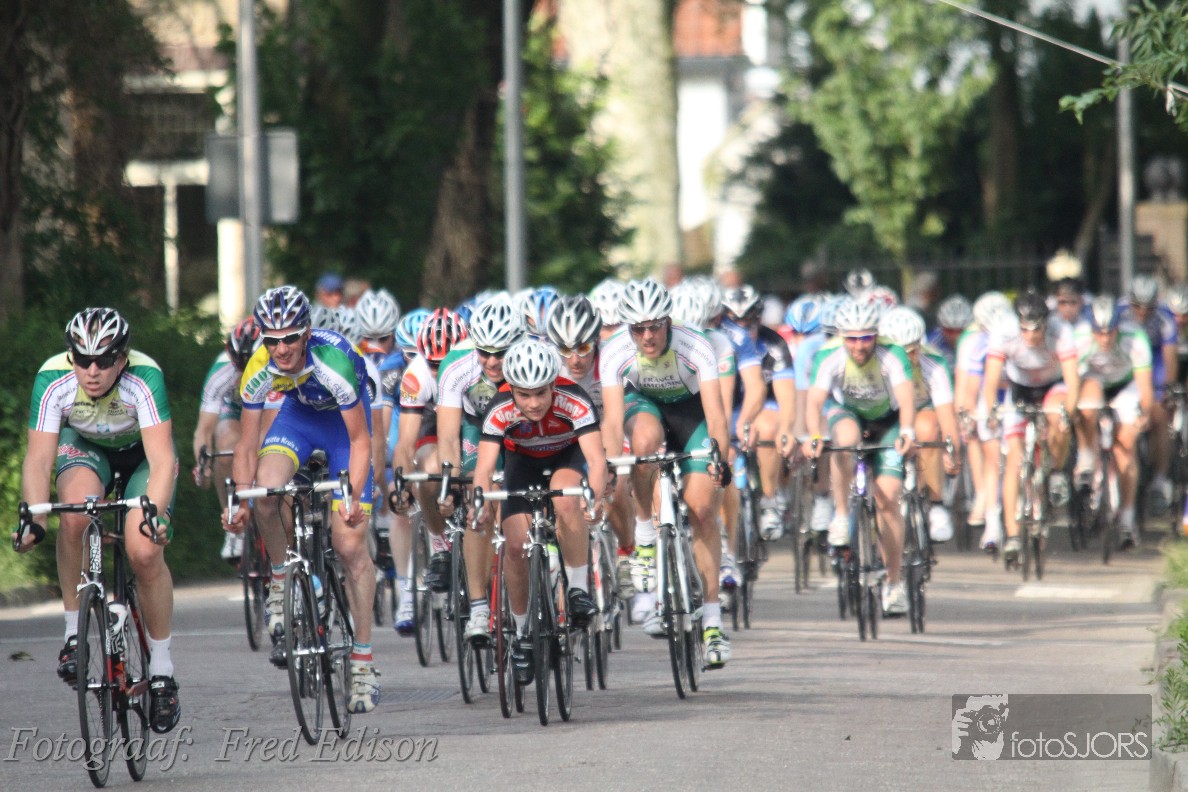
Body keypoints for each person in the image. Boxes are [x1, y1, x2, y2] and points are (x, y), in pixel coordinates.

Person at [14, 308, 181, 733]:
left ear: (121, 360)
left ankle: (162, 670)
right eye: (83, 359)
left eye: (104, 361)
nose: (92, 371)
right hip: (87, 449)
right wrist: (35, 517)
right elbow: (39, 460)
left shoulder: (145, 376)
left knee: (144, 552)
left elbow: (162, 460)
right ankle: (75, 634)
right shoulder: (53, 378)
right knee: (73, 514)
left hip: (142, 457)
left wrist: (154, 515)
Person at [226, 286, 381, 714]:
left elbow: (361, 441)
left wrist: (351, 497)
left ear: (307, 332)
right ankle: (280, 580)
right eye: (271, 339)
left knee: (349, 544)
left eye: (290, 338)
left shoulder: (333, 361)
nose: (281, 349)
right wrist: (239, 501)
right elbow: (246, 444)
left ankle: (363, 662)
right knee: (266, 492)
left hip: (345, 430)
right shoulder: (259, 365)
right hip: (298, 420)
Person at [599, 278, 734, 667]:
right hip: (644, 408)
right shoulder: (615, 351)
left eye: (655, 327)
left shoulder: (696, 346)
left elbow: (716, 415)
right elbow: (612, 422)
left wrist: (720, 459)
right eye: (638, 329)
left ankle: (713, 622)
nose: (647, 336)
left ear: (668, 322)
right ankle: (644, 534)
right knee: (643, 443)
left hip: (691, 415)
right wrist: (611, 467)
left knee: (703, 510)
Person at [472, 337, 608, 683]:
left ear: (553, 386)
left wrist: (593, 496)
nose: (533, 403)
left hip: (566, 456)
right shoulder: (499, 407)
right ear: (511, 390)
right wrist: (481, 503)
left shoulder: (574, 399)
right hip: (522, 463)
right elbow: (484, 470)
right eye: (524, 395)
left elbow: (596, 461)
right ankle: (521, 635)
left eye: (541, 394)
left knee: (567, 499)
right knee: (515, 547)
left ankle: (577, 590)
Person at [801, 297, 916, 615]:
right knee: (845, 440)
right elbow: (814, 402)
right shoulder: (829, 355)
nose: (858, 346)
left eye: (865, 337)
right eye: (851, 338)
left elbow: (907, 399)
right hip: (848, 414)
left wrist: (908, 431)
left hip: (888, 422)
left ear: (876, 335)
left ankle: (894, 582)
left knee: (888, 500)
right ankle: (840, 514)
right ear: (841, 336)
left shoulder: (892, 354)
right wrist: (814, 436)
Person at [982, 290, 1079, 564]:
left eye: (1036, 330)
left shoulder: (1061, 331)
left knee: (1058, 415)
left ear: (1046, 324)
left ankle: (1056, 471)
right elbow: (991, 381)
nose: (1031, 336)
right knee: (1014, 458)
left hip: (1052, 387)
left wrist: (1068, 415)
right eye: (1024, 329)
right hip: (1020, 389)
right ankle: (1013, 536)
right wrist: (991, 410)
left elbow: (1073, 381)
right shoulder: (1004, 331)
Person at [193, 317, 260, 564]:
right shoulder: (221, 372)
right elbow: (204, 430)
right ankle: (232, 523)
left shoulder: (279, 365)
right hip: (235, 410)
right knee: (225, 448)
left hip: (269, 408)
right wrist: (203, 465)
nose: (243, 371)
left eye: (250, 364)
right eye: (238, 364)